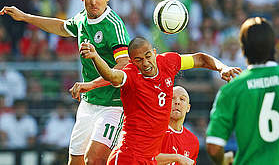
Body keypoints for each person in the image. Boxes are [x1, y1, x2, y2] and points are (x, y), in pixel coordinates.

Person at [0, 0, 130, 165]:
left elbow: (124, 65)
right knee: (75, 161)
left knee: (94, 159)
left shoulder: (113, 25)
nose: (93, 2)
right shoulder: (82, 18)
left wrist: (90, 84)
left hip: (113, 105)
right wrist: (25, 17)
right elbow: (62, 27)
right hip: (89, 102)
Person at [78, 36, 241, 164]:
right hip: (128, 156)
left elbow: (200, 59)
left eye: (148, 56)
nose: (146, 63)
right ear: (132, 62)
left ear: (154, 52)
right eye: (139, 60)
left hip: (149, 159)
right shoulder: (131, 75)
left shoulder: (168, 62)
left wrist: (222, 68)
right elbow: (112, 75)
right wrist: (94, 56)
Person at [206, 17, 279, 165]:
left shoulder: (231, 90)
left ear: (243, 49)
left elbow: (213, 147)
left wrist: (223, 161)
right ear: (275, 46)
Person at [155, 86, 199, 165]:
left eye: (182, 99)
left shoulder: (193, 141)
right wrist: (177, 157)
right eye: (172, 98)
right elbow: (145, 159)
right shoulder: (154, 130)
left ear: (188, 108)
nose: (177, 102)